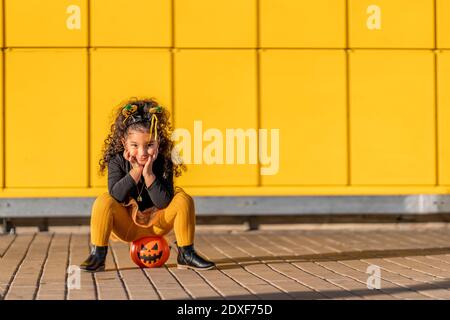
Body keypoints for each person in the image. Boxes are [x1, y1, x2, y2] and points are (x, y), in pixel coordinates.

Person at [79, 97, 215, 272]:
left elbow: (164, 203)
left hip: (158, 226)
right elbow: (116, 195)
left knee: (183, 199)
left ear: (158, 141)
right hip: (128, 228)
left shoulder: (165, 160)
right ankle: (98, 255)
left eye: (149, 145)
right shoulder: (117, 160)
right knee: (104, 200)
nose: (142, 153)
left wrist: (148, 174)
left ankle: (186, 254)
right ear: (124, 143)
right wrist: (135, 171)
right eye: (134, 145)